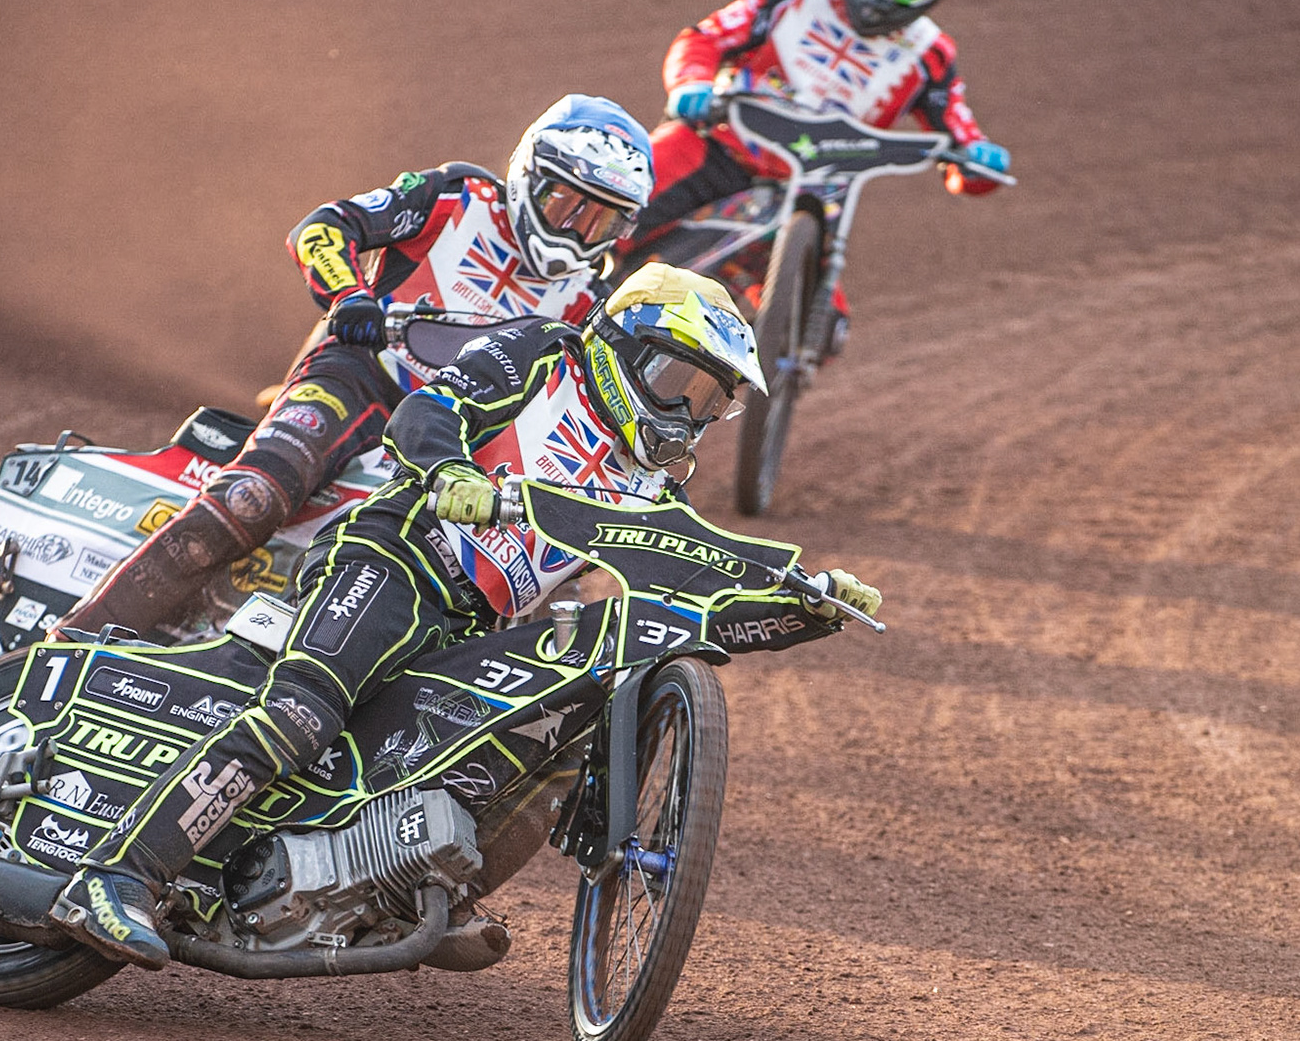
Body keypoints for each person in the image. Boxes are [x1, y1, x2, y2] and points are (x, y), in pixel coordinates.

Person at [47, 263, 884, 968]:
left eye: (711, 401)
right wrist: (449, 469)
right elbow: (425, 412)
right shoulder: (542, 355)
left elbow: (685, 588)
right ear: (628, 347)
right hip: (396, 555)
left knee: (523, 738)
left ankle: (411, 892)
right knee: (302, 712)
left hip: (472, 622)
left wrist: (805, 603)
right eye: (680, 382)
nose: (689, 413)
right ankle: (116, 874)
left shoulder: (658, 485)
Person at [52, 94, 656, 641]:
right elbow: (322, 227)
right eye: (564, 203)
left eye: (599, 219)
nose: (577, 229)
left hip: (454, 440)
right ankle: (69, 644)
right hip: (361, 379)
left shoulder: (591, 306)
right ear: (528, 175)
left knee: (544, 588)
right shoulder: (454, 197)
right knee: (253, 496)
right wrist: (349, 297)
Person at [619, 0, 1010, 297]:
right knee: (619, 194)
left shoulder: (929, 56)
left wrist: (977, 161)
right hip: (720, 144)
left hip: (811, 193)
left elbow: (961, 135)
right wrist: (691, 84)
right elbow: (705, 39)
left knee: (828, 317)